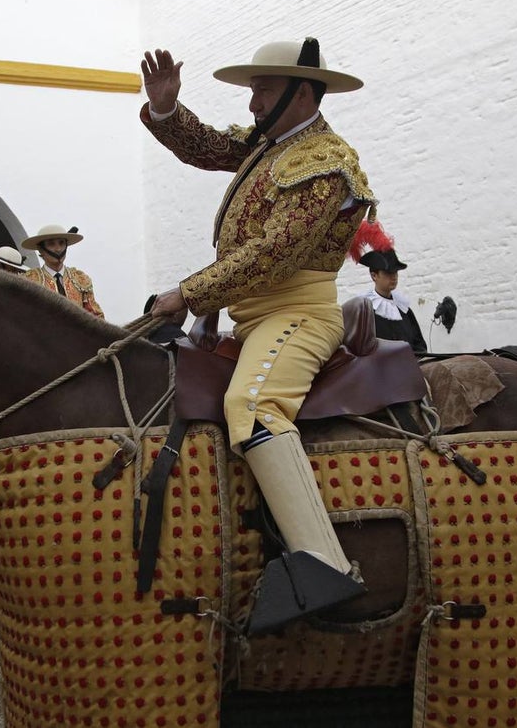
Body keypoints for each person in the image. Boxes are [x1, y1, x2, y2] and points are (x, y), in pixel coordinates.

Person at [142, 38, 377, 633]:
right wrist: (168, 109)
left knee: (252, 402)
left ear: (301, 93)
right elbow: (211, 148)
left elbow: (275, 253)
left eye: (262, 91)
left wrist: (187, 294)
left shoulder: (326, 158)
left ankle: (325, 564)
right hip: (251, 316)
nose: (252, 105)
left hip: (297, 313)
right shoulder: (274, 147)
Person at [20, 225, 104, 318]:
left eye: (61, 243)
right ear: (41, 249)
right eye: (51, 244)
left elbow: (95, 318)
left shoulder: (80, 278)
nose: (58, 249)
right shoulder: (29, 280)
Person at [357, 248, 428, 353]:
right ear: (374, 275)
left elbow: (419, 344)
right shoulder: (366, 311)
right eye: (388, 273)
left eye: (395, 272)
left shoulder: (404, 310)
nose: (394, 277)